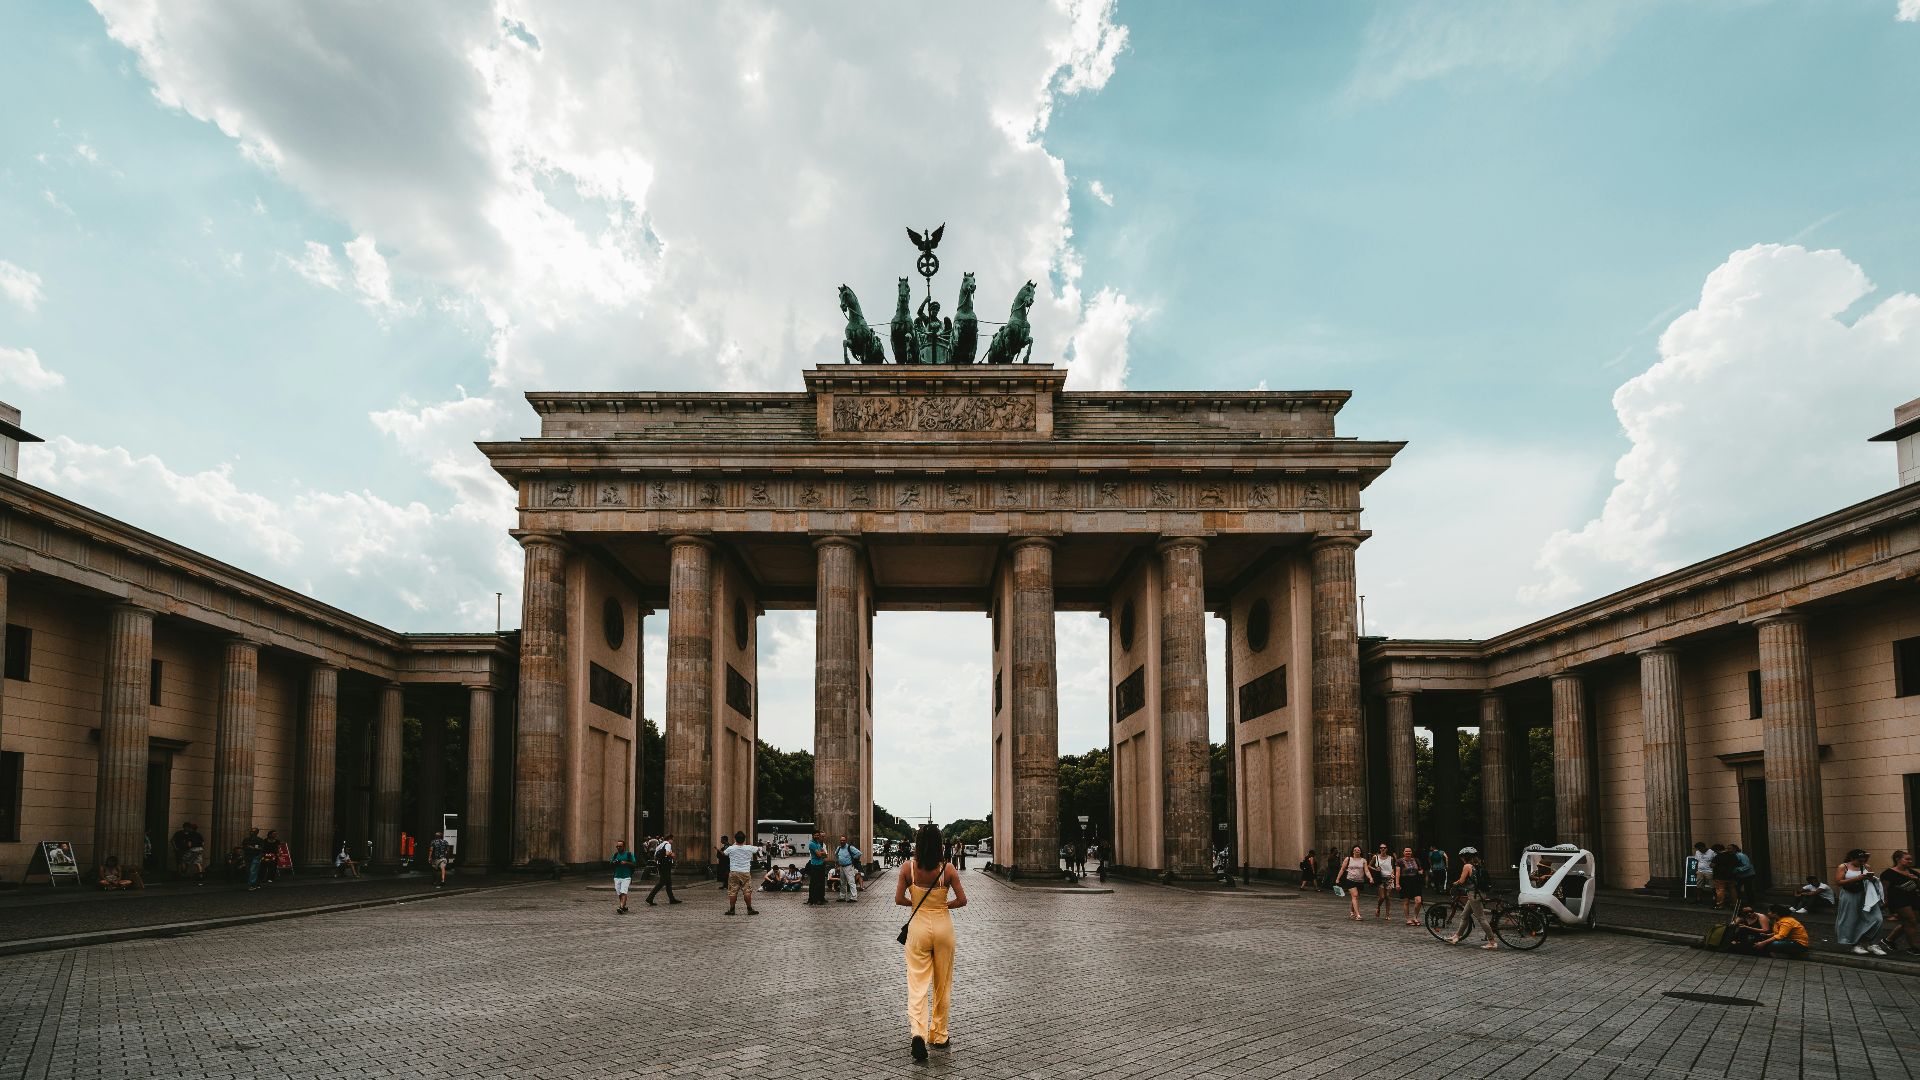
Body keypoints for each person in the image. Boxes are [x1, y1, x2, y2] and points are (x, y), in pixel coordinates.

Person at [896, 822, 967, 1062]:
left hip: (918, 929)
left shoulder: (908, 868)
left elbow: (898, 899)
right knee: (942, 983)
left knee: (917, 982)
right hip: (943, 927)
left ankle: (918, 1033)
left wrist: (917, 904)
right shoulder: (948, 869)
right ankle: (939, 1034)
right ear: (939, 844)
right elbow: (962, 900)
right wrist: (942, 905)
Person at [1836, 849, 1887, 956]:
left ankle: (1872, 943)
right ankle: (1855, 944)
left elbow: (1871, 880)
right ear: (1852, 858)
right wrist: (1857, 878)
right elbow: (1838, 882)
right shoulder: (1843, 866)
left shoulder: (1866, 866)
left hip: (1865, 895)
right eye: (1859, 860)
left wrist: (1872, 879)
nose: (1861, 863)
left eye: (1863, 860)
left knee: (1877, 919)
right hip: (1849, 895)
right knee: (1852, 919)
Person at [1448, 847, 1497, 950]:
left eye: (1461, 857)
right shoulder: (1478, 865)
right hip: (1479, 893)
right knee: (1464, 915)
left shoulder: (1467, 866)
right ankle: (1456, 936)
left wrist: (1454, 883)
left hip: (1474, 895)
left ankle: (1492, 942)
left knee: (1481, 918)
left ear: (1464, 857)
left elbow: (1461, 881)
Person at [1881, 850, 1920, 954]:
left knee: (1911, 921)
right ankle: (1915, 947)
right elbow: (1884, 889)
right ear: (1898, 859)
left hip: (1913, 899)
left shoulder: (1912, 872)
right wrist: (1885, 902)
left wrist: (1917, 880)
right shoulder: (1888, 873)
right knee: (1911, 921)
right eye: (1907, 859)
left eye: (1911, 859)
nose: (1910, 861)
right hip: (1898, 900)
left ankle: (1889, 940)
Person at [1742, 904, 1810, 960]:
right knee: (1764, 941)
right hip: (1788, 940)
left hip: (1799, 944)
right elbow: (1778, 933)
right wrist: (1767, 936)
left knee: (1769, 944)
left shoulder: (1786, 921)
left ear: (1775, 913)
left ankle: (1786, 956)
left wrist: (1763, 943)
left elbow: (1780, 936)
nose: (1768, 913)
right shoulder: (1778, 920)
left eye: (1769, 912)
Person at [722, 831, 760, 916]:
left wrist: (735, 844)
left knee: (733, 891)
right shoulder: (749, 847)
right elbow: (758, 849)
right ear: (744, 839)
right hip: (745, 872)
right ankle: (749, 909)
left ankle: (732, 910)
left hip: (734, 872)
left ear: (735, 839)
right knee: (747, 891)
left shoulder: (731, 848)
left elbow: (724, 853)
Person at [1335, 845, 1371, 921]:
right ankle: (1357, 914)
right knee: (1355, 895)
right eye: (1355, 850)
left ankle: (1352, 911)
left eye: (1358, 850)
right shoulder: (1348, 859)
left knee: (1355, 897)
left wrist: (1370, 878)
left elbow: (1366, 870)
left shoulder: (1363, 860)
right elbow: (1342, 869)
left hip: (1360, 881)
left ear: (1360, 851)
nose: (1357, 851)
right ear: (1353, 851)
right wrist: (1337, 878)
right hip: (1350, 880)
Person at [647, 833, 681, 905]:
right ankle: (650, 898)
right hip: (666, 866)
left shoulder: (660, 845)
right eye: (672, 840)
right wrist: (672, 854)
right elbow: (667, 853)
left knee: (668, 883)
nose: (672, 841)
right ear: (670, 839)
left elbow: (656, 855)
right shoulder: (668, 844)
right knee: (661, 882)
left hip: (661, 865)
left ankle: (672, 899)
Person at [1396, 846, 1425, 925]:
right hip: (1405, 882)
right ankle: (1408, 919)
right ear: (1403, 852)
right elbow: (1398, 873)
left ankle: (1415, 917)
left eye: (1409, 851)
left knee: (1418, 901)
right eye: (1406, 851)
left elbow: (1420, 869)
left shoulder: (1416, 860)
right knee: (1406, 902)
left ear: (1411, 852)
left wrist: (1421, 872)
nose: (1408, 853)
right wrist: (1397, 884)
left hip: (1415, 881)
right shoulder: (1399, 861)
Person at [1721, 844, 1756, 910]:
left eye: (1730, 848)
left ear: (1735, 849)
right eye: (1727, 848)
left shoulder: (1741, 855)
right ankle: (1739, 902)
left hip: (1748, 874)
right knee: (1736, 888)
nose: (1728, 850)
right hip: (1740, 875)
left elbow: (1747, 866)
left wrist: (1736, 870)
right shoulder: (1731, 856)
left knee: (1748, 888)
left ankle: (1751, 902)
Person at [1370, 844, 1397, 921]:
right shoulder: (1375, 857)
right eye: (1381, 848)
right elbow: (1369, 865)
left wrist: (1392, 873)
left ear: (1387, 849)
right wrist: (1375, 869)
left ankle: (1387, 914)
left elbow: (1392, 867)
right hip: (1380, 878)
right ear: (1379, 849)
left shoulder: (1390, 858)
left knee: (1387, 896)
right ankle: (1378, 907)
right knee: (1382, 897)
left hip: (1389, 878)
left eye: (1384, 848)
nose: (1383, 849)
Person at [835, 834, 864, 902]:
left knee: (851, 882)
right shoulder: (838, 848)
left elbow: (859, 853)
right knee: (842, 882)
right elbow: (836, 854)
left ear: (846, 841)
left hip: (848, 866)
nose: (842, 841)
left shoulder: (850, 847)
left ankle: (854, 897)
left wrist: (852, 858)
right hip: (841, 867)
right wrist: (837, 862)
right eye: (841, 840)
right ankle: (842, 897)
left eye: (843, 840)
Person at [806, 832, 829, 906]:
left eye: (818, 835)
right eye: (815, 835)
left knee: (820, 883)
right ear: (812, 836)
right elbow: (819, 855)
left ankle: (819, 898)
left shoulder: (818, 843)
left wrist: (821, 853)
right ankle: (813, 899)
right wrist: (821, 853)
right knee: (814, 883)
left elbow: (825, 855)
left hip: (820, 865)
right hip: (815, 865)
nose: (817, 836)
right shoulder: (812, 844)